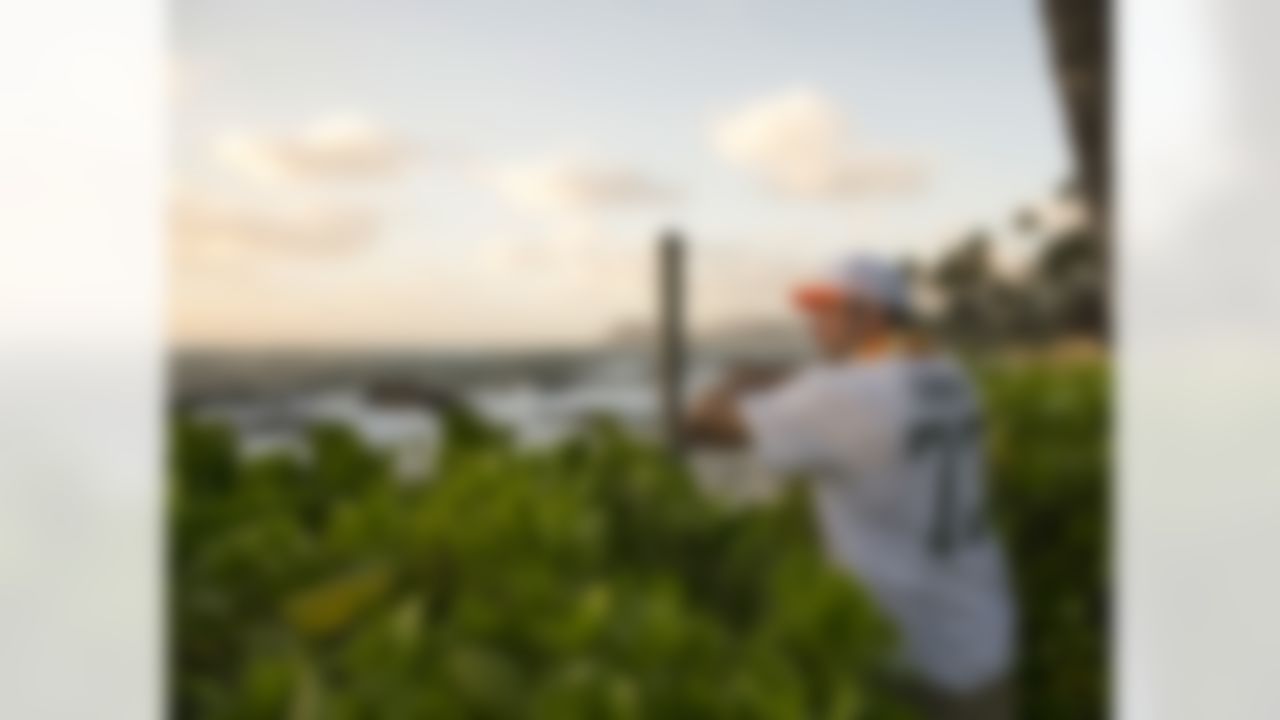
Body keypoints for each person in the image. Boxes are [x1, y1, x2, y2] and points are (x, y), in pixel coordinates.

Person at [685, 254, 1016, 719]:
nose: (813, 324)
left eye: (828, 309)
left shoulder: (840, 397)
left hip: (910, 661)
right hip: (982, 636)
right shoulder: (951, 374)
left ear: (870, 314)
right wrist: (780, 377)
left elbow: (704, 425)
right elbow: (857, 387)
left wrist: (732, 381)